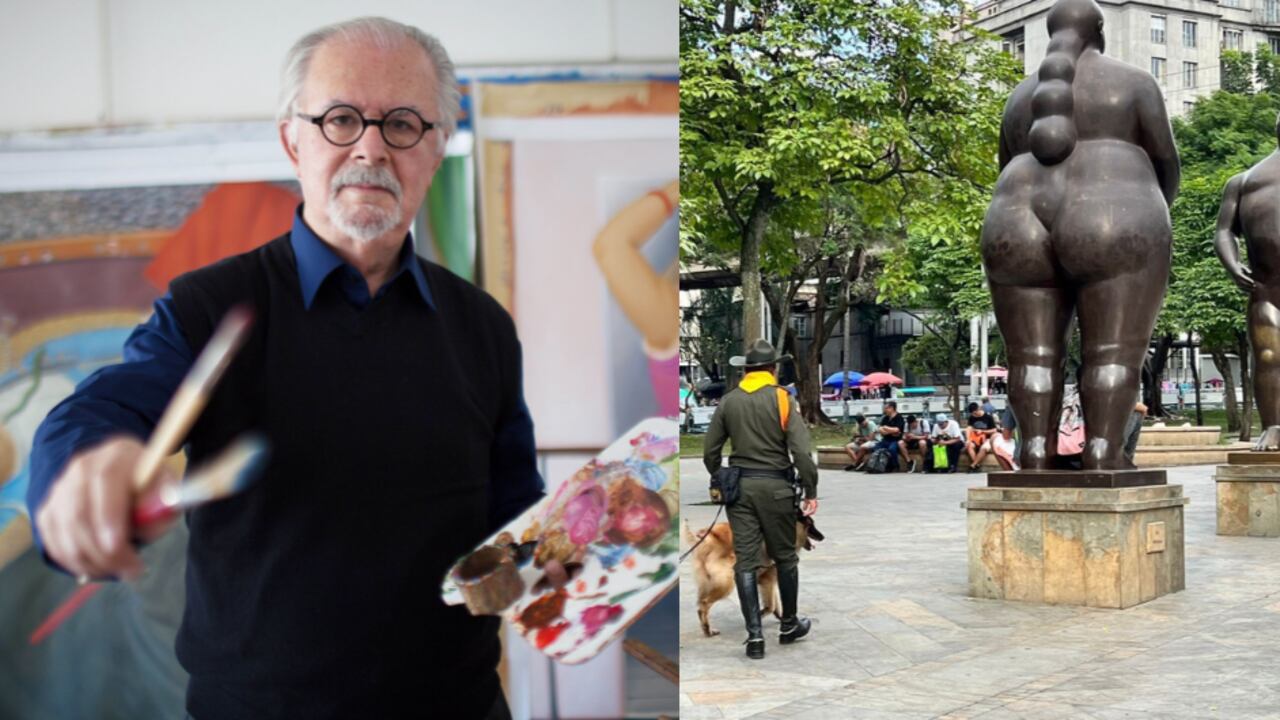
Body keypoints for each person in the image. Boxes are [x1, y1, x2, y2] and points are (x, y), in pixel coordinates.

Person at [26, 18, 548, 719]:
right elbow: (106, 409)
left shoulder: (483, 327)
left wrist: (574, 559)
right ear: (292, 140)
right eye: (339, 119)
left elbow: (514, 518)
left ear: (436, 148)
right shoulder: (211, 305)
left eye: (402, 124)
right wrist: (85, 464)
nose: (370, 146)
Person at [980, 0, 1178, 472]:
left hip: (1014, 214)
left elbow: (1004, 161)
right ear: (1099, 32)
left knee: (1030, 354)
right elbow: (1166, 162)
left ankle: (1032, 451)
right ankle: (1104, 450)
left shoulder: (1017, 97)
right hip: (1116, 208)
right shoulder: (1134, 83)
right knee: (1111, 351)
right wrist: (1149, 214)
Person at [703, 339, 819, 659]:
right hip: (778, 489)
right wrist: (810, 490)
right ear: (772, 368)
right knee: (785, 558)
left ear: (745, 369)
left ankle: (754, 637)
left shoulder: (728, 401)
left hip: (740, 491)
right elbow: (801, 452)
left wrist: (720, 477)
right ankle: (789, 624)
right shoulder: (783, 399)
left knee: (746, 561)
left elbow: (710, 451)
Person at [593, 180, 679, 416]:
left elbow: (611, 244)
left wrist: (674, 193)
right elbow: (611, 245)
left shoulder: (669, 316)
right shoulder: (669, 317)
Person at [874, 401, 909, 472]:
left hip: (895, 440)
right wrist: (890, 431)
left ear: (892, 408)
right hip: (885, 439)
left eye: (886, 408)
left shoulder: (899, 417)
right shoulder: (885, 418)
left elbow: (897, 429)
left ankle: (895, 466)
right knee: (876, 448)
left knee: (892, 449)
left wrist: (886, 427)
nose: (885, 410)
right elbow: (880, 429)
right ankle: (881, 465)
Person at [964, 402, 999, 472]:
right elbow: (969, 428)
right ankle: (976, 465)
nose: (974, 415)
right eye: (973, 414)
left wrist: (982, 431)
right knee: (969, 446)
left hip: (987, 438)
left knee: (984, 448)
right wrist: (968, 439)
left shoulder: (988, 417)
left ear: (978, 409)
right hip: (976, 438)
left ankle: (973, 465)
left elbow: (994, 430)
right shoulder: (972, 417)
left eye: (975, 413)